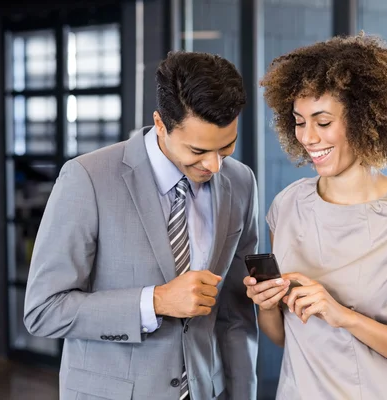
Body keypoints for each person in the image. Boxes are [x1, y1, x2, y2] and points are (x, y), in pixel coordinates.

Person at [24, 51, 259, 400]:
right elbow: (44, 311)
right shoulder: (87, 178)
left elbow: (236, 314)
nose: (214, 165)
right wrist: (156, 302)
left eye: (226, 147)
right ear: (161, 124)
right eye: (197, 150)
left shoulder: (241, 181)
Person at [245, 33, 387, 399]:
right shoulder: (286, 206)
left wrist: (344, 316)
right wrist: (267, 305)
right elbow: (282, 336)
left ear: (363, 119)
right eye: (298, 121)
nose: (308, 138)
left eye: (323, 123)